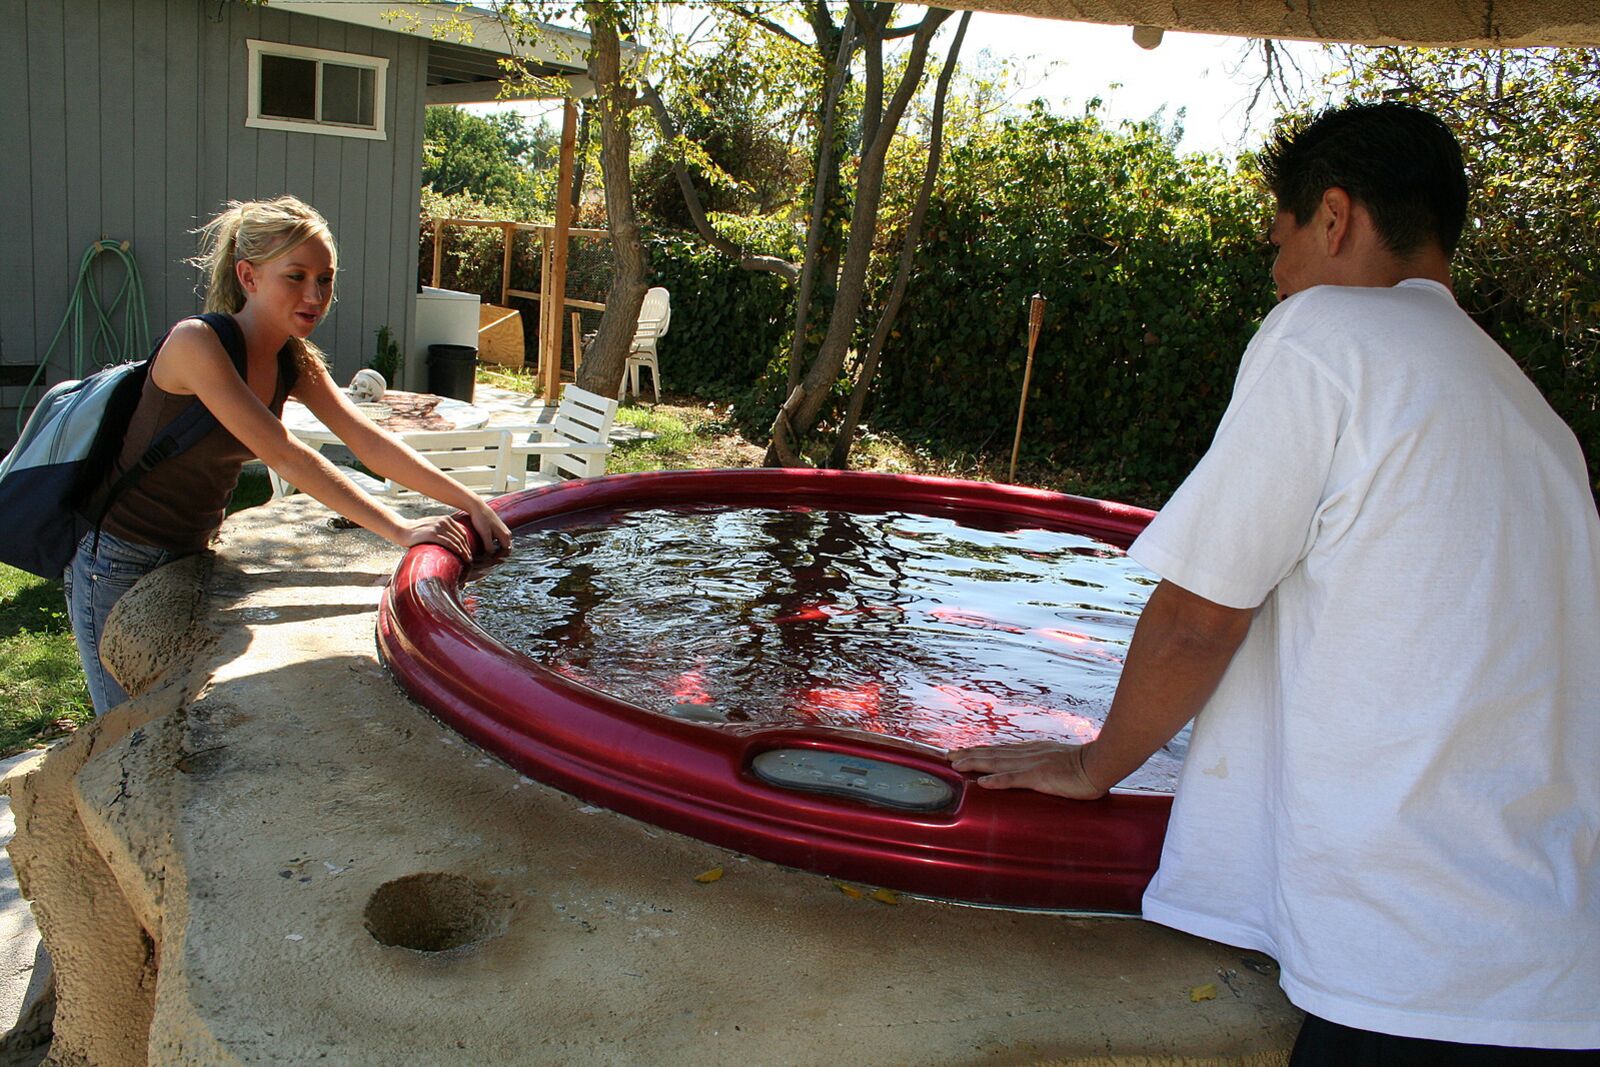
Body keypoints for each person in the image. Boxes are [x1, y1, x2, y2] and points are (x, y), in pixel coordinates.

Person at [951, 102, 1600, 1061]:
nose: (1276, 270)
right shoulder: (1530, 411)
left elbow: (1200, 617)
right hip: (1552, 959)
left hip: (1412, 966)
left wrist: (1092, 766)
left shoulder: (1327, 334)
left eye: (1277, 240)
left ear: (1334, 217)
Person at [65, 196, 514, 715]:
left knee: (176, 723)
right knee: (126, 730)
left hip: (190, 551)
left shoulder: (291, 359)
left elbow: (367, 439)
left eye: (325, 279)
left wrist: (473, 502)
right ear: (248, 277)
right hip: (119, 559)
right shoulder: (197, 343)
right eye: (295, 276)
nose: (315, 294)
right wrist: (401, 530)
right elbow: (282, 452)